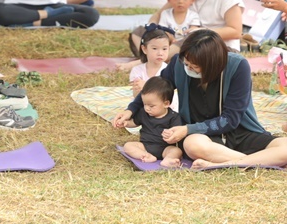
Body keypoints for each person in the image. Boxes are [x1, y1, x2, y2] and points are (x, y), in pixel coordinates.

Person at [114, 30, 287, 170]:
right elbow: (156, 90)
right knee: (192, 145)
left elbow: (231, 119)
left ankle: (227, 163)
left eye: (194, 66)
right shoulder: (179, 63)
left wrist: (188, 128)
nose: (188, 67)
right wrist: (130, 110)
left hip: (242, 132)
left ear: (212, 64)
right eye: (186, 62)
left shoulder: (237, 66)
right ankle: (259, 162)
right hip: (203, 138)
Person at [120, 77, 184, 168]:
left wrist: (170, 134)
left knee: (177, 151)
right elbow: (134, 122)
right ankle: (145, 155)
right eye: (145, 104)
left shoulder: (174, 117)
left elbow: (177, 133)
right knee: (127, 146)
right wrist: (126, 124)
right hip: (145, 146)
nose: (147, 108)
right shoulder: (143, 113)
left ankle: (168, 159)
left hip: (165, 148)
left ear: (166, 103)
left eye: (151, 106)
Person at [129, 28, 172, 95]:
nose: (160, 53)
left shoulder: (169, 70)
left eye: (164, 49)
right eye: (155, 48)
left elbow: (167, 93)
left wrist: (145, 86)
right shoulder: (137, 70)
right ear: (144, 49)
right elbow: (136, 95)